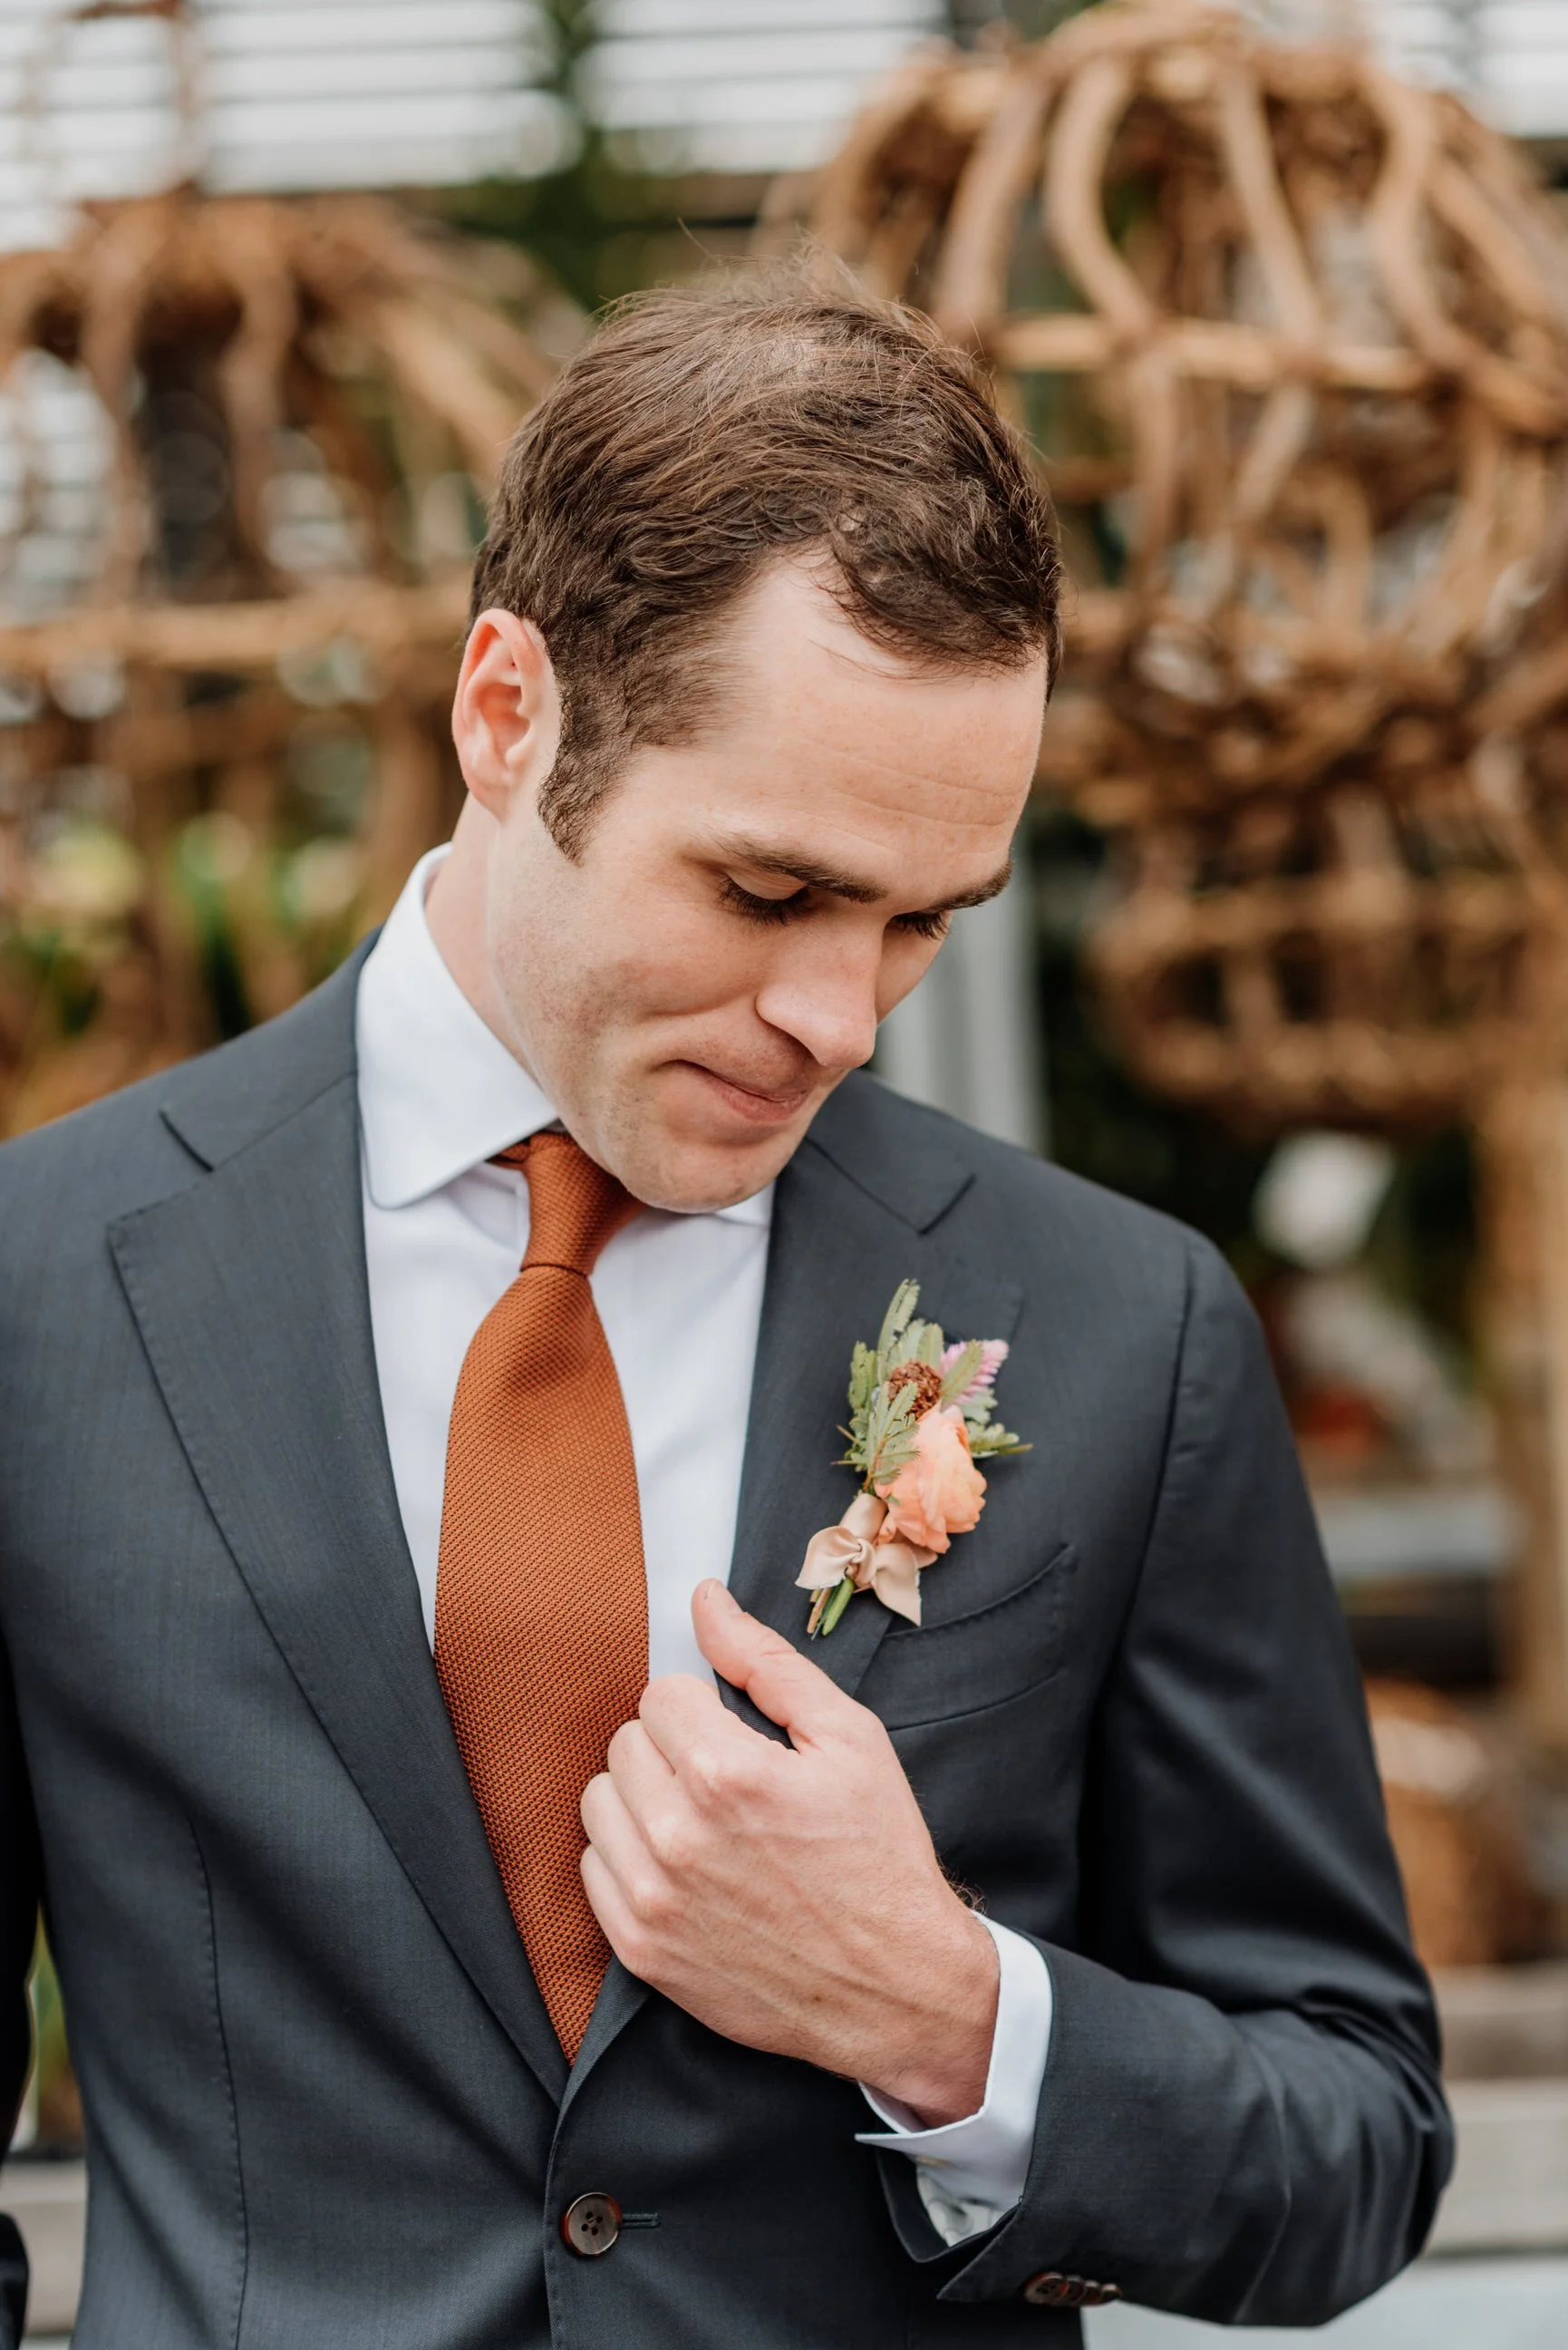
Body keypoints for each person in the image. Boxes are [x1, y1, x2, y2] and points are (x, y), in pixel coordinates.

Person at [0, 284, 1450, 2350]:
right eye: (769, 895)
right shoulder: (39, 1293)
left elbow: (1356, 2143)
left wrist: (950, 2015)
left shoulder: (1129, 1326)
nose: (837, 1021)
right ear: (509, 717)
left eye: (920, 922)